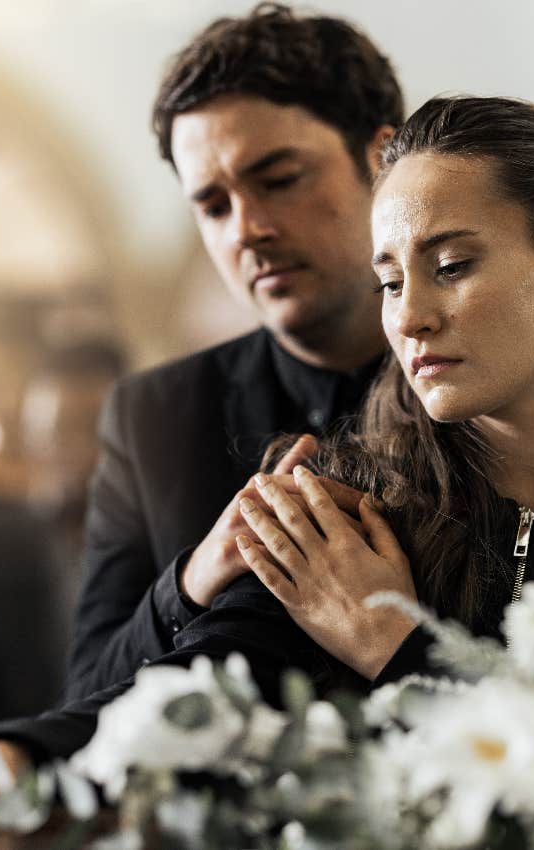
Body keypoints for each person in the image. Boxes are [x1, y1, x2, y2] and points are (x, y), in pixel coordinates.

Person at [0, 96, 534, 816]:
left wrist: (396, 646)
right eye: (389, 280)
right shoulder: (354, 505)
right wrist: (13, 756)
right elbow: (190, 691)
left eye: (451, 266)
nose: (408, 316)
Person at [63, 3, 403, 701]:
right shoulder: (150, 412)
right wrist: (195, 578)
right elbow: (85, 693)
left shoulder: (483, 385)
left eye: (278, 180)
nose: (246, 229)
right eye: (213, 206)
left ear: (382, 159)